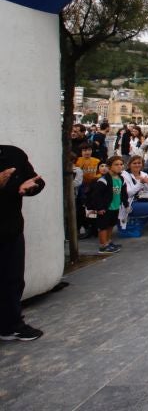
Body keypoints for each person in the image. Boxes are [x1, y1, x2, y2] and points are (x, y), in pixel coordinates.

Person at [0, 145, 45, 341]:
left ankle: (10, 325)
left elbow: (36, 181)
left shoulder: (13, 154)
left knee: (12, 279)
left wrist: (30, 187)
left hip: (10, 229)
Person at [86, 156, 127, 254]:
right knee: (103, 226)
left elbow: (123, 193)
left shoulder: (121, 179)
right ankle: (103, 246)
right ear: (109, 166)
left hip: (115, 206)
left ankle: (108, 242)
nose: (119, 167)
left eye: (121, 164)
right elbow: (97, 195)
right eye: (116, 164)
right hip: (105, 207)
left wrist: (125, 203)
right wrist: (99, 207)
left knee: (111, 225)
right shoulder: (104, 180)